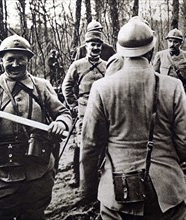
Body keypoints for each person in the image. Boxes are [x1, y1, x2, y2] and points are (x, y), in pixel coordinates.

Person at [80, 19, 186, 219]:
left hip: (117, 191)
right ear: (152, 51)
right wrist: (166, 162)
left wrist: (89, 187)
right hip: (166, 192)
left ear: (120, 52)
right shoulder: (173, 86)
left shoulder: (101, 88)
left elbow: (90, 145)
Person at [0, 34, 72, 219]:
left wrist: (60, 124)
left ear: (28, 60)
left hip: (39, 170)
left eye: (20, 59)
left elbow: (64, 113)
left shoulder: (41, 86)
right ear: (1, 60)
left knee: (35, 214)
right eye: (10, 59)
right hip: (3, 175)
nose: (15, 64)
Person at [62, 30, 107, 187]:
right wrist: (73, 104)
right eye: (92, 44)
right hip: (83, 110)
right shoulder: (78, 65)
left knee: (102, 141)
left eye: (98, 45)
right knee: (81, 143)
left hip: (102, 111)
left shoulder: (106, 66)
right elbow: (66, 86)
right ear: (86, 46)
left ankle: (99, 174)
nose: (95, 48)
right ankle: (77, 175)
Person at [153, 28, 186, 100]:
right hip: (165, 94)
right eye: (170, 41)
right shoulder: (160, 55)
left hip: (183, 93)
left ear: (181, 43)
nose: (172, 44)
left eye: (175, 42)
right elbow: (154, 77)